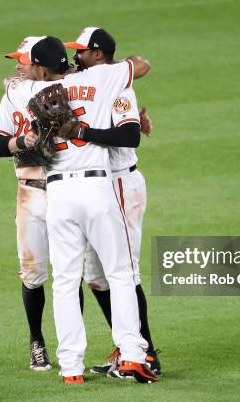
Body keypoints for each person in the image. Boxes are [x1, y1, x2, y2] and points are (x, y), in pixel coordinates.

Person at [16, 36, 158, 384]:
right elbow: (138, 64)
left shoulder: (30, 94)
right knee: (121, 273)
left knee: (65, 281)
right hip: (97, 187)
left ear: (42, 68)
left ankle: (71, 368)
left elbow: (28, 150)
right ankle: (133, 356)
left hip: (58, 193)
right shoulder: (101, 77)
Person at [65, 27, 161, 377]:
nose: (75, 56)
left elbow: (129, 133)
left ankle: (145, 353)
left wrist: (81, 132)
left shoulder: (118, 84)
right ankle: (126, 345)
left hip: (122, 182)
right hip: (100, 187)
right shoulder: (88, 83)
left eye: (82, 52)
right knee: (95, 275)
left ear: (99, 55)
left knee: (126, 272)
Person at [0, 36, 53, 371]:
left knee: (72, 274)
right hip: (30, 193)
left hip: (66, 191)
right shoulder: (11, 96)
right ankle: (37, 341)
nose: (16, 66)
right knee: (33, 274)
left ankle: (75, 346)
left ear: (39, 66)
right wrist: (21, 142)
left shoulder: (64, 90)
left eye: (21, 61)